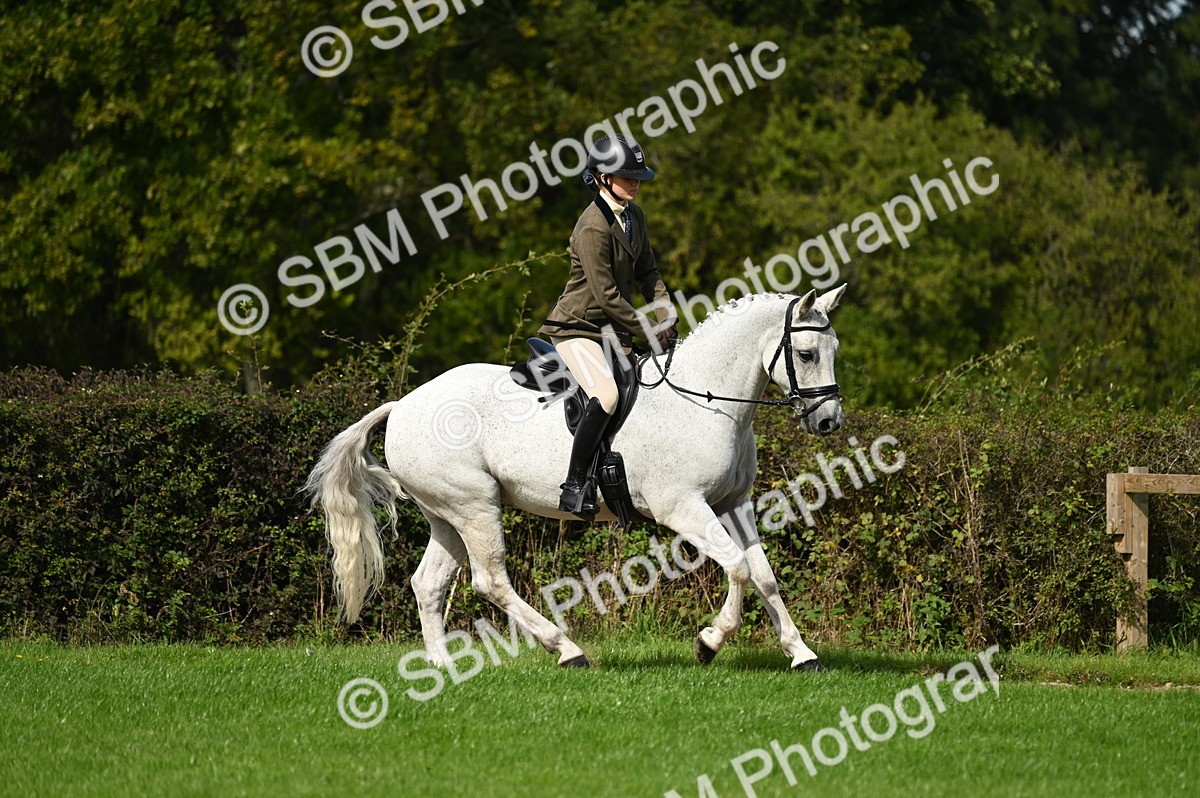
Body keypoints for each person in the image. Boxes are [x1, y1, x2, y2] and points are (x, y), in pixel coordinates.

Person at [539, 134, 677, 518]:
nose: (636, 183)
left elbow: (649, 270)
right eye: (627, 177)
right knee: (609, 395)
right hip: (578, 328)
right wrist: (647, 328)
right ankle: (574, 485)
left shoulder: (635, 216)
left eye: (638, 176)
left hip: (613, 329)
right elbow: (606, 296)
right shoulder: (592, 227)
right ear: (601, 178)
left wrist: (665, 314)